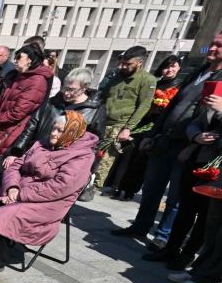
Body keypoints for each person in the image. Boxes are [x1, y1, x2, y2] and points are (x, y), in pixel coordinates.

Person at [111, 34, 222, 241]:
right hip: (165, 140)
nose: (212, 48)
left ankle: (163, 236)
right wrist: (153, 134)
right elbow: (172, 105)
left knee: (175, 197)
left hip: (189, 144)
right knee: (151, 188)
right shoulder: (199, 72)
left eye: (219, 45)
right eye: (212, 43)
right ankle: (140, 226)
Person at [0, 111, 97, 274]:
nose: (53, 133)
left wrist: (20, 194)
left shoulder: (82, 156)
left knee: (5, 213)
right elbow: (16, 165)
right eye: (53, 128)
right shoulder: (41, 143)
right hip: (18, 191)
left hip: (48, 203)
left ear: (71, 132)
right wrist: (12, 187)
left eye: (60, 131)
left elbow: (59, 187)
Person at [146, 92, 222, 271]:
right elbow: (195, 123)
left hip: (215, 164)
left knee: (205, 214)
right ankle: (171, 248)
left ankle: (188, 255)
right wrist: (196, 136)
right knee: (186, 207)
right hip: (196, 157)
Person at [0, 43, 53, 193]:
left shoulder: (37, 81)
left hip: (12, 136)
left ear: (30, 60)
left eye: (20, 57)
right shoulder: (15, 76)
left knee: (1, 184)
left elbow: (17, 113)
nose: (16, 60)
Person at [110, 55, 183, 202]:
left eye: (173, 67)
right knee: (128, 155)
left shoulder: (179, 85)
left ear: (179, 68)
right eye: (166, 67)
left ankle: (130, 190)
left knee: (141, 159)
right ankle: (118, 186)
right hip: (143, 121)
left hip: (157, 125)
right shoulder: (154, 82)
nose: (169, 70)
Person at [90, 46, 157, 200]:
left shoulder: (147, 80)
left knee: (105, 160)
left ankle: (94, 187)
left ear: (139, 63)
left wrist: (127, 128)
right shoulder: (116, 76)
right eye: (123, 63)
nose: (124, 66)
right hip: (103, 121)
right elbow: (102, 95)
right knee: (92, 155)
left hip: (120, 124)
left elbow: (144, 105)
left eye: (129, 64)